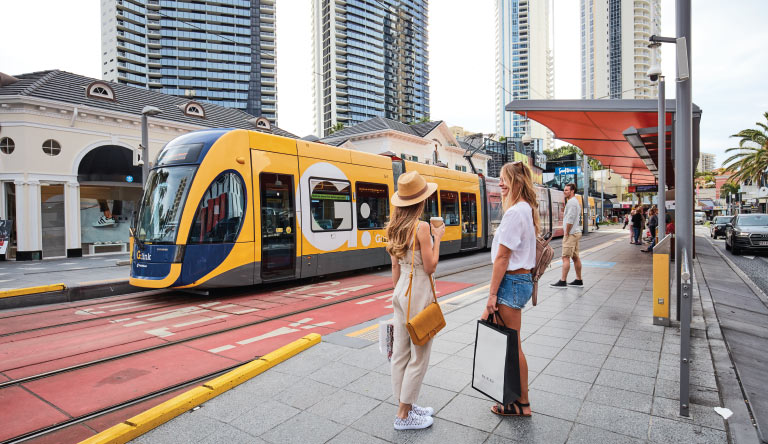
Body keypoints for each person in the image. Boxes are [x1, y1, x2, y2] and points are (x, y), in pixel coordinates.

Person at [386, 171, 445, 431]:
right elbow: (431, 267)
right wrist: (438, 236)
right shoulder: (421, 227)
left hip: (400, 291)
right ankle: (404, 415)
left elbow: (395, 269)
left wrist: (397, 294)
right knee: (419, 355)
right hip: (419, 290)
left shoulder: (394, 227)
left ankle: (406, 405)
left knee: (400, 354)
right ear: (420, 202)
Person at [483, 161, 538, 417]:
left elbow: (503, 258)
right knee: (512, 344)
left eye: (505, 179)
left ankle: (521, 404)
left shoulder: (515, 212)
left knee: (513, 346)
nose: (500, 184)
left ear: (517, 182)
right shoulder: (526, 209)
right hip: (520, 281)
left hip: (511, 282)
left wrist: (491, 295)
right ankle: (517, 400)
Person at [550, 183, 583, 288]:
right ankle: (579, 280)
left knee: (565, 257)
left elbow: (570, 219)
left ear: (572, 191)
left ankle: (563, 281)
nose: (564, 192)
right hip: (575, 232)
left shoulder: (572, 203)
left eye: (566, 190)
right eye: (564, 190)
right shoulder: (574, 202)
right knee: (575, 257)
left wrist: (566, 232)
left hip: (571, 234)